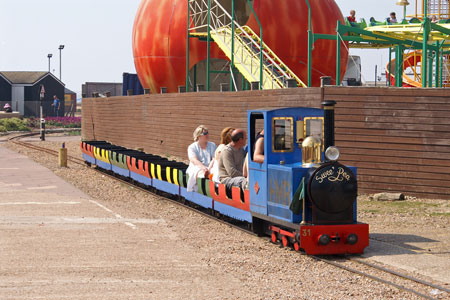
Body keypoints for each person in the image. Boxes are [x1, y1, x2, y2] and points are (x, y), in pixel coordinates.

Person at [186, 125, 216, 192]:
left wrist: (209, 168)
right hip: (197, 167)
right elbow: (194, 160)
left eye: (208, 133)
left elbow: (214, 158)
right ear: (199, 136)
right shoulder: (192, 147)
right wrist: (203, 168)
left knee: (215, 171)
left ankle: (215, 188)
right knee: (200, 172)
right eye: (205, 134)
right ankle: (201, 188)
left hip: (210, 166)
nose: (207, 135)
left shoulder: (212, 145)